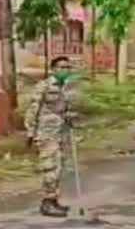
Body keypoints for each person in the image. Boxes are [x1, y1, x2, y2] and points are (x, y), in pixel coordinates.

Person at [25, 55, 78, 217]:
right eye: (61, 68)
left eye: (67, 68)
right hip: (46, 132)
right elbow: (33, 109)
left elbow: (65, 108)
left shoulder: (66, 87)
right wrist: (30, 132)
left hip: (59, 131)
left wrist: (70, 118)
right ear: (53, 69)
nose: (65, 70)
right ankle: (47, 203)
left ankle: (53, 200)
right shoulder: (44, 86)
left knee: (59, 166)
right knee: (50, 168)